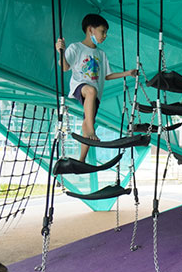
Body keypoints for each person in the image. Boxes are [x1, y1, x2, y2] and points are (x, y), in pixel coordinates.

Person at [56, 13, 137, 163]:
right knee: (91, 91)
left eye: (105, 32)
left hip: (94, 95)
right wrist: (60, 51)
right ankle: (92, 132)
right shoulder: (76, 47)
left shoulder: (101, 54)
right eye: (102, 31)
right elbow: (65, 67)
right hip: (80, 87)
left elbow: (108, 75)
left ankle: (82, 160)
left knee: (88, 122)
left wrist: (128, 73)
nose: (105, 35)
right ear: (90, 30)